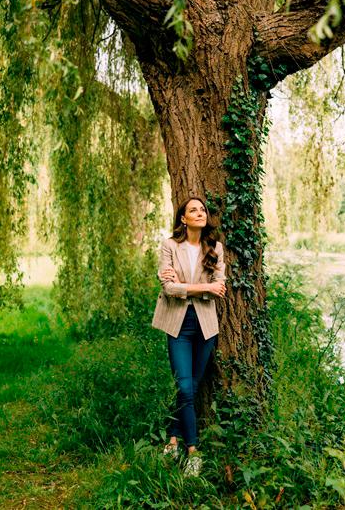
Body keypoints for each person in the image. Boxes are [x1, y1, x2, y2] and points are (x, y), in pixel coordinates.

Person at [151, 196, 226, 478]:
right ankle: (193, 451)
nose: (199, 213)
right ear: (183, 218)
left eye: (202, 209)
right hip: (178, 324)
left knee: (191, 387)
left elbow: (220, 286)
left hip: (206, 325)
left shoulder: (215, 247)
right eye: (192, 210)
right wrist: (199, 288)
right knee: (183, 386)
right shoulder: (171, 246)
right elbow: (169, 289)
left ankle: (172, 439)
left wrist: (185, 286)